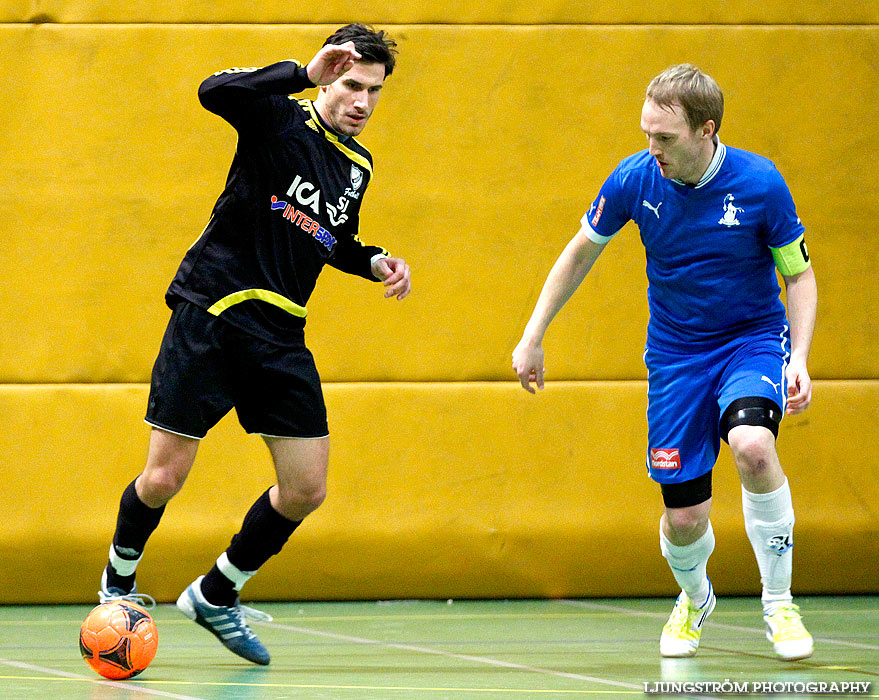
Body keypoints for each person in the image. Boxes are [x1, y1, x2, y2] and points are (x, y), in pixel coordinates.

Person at [99, 23, 410, 666]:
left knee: (305, 489)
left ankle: (216, 593)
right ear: (331, 75)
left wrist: (372, 259)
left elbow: (328, 237)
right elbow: (214, 90)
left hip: (280, 333)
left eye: (374, 91)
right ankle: (116, 590)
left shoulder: (358, 165)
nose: (362, 102)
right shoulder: (277, 117)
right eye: (352, 84)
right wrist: (303, 71)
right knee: (163, 478)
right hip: (212, 314)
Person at [512, 64, 816, 661]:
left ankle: (778, 602)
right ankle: (694, 598)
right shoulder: (635, 178)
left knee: (754, 446)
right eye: (647, 134)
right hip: (676, 356)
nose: (652, 150)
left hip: (750, 341)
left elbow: (798, 274)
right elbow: (579, 254)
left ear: (706, 131)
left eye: (665, 138)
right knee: (684, 519)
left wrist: (799, 355)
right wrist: (533, 334)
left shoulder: (760, 184)